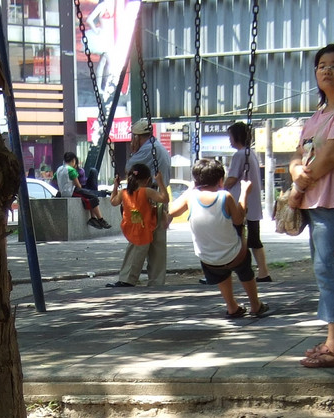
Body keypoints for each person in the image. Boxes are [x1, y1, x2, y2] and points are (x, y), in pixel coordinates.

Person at [288, 43, 334, 369]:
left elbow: (331, 156)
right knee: (325, 270)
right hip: (316, 202)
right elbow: (299, 154)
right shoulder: (317, 116)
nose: (327, 70)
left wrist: (299, 185)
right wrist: (295, 171)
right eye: (322, 65)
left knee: (330, 271)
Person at [166, 157, 266, 318]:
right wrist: (244, 193)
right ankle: (255, 305)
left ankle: (232, 306)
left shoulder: (190, 197)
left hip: (208, 260)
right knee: (243, 261)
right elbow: (238, 219)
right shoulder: (224, 196)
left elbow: (172, 211)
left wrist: (190, 190)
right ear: (220, 180)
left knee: (220, 270)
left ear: (196, 181)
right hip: (235, 256)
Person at [222, 121, 272, 282]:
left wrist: (219, 189)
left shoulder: (239, 155)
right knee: (254, 239)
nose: (229, 140)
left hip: (239, 203)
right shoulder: (252, 153)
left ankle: (225, 272)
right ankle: (263, 272)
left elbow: (232, 179)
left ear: (236, 137)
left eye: (230, 136)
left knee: (233, 238)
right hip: (253, 202)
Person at [106, 162, 168, 287]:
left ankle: (127, 279)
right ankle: (156, 281)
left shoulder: (123, 192)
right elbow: (164, 199)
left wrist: (115, 186)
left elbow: (113, 201)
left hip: (133, 227)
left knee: (134, 254)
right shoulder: (147, 191)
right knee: (156, 255)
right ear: (148, 180)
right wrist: (160, 182)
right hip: (147, 227)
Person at [126, 118, 172, 285]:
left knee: (138, 237)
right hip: (159, 196)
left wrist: (133, 153)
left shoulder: (147, 149)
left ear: (137, 137)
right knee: (158, 243)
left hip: (146, 198)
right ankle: (157, 280)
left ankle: (128, 277)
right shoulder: (160, 148)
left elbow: (129, 168)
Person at [58, 150, 111, 228]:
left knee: (90, 195)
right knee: (93, 196)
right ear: (73, 160)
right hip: (72, 191)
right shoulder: (71, 170)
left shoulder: (59, 169)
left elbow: (55, 180)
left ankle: (94, 218)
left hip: (64, 192)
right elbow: (78, 186)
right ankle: (100, 219)